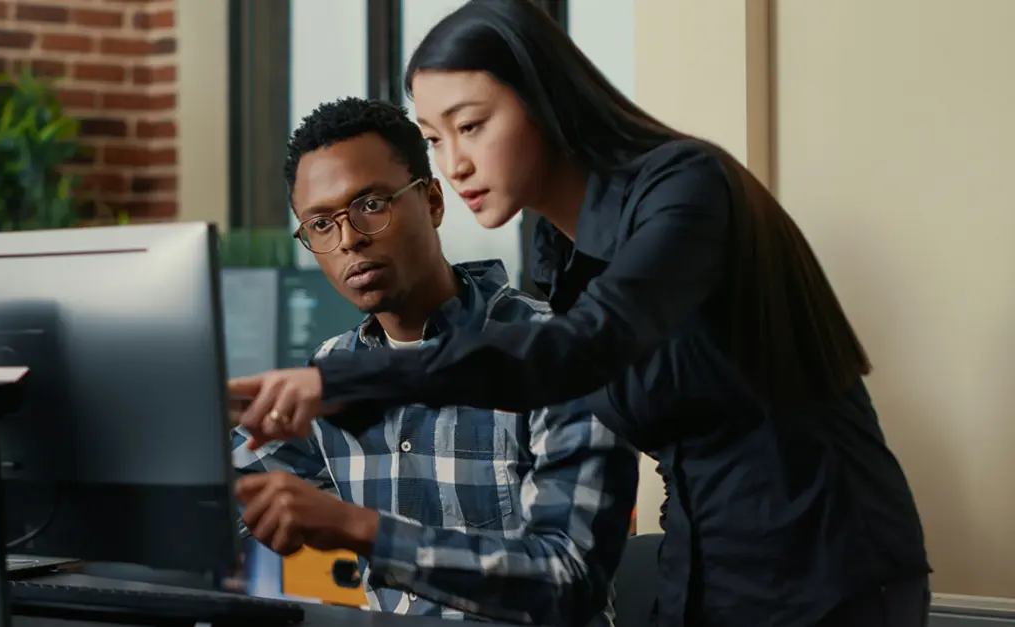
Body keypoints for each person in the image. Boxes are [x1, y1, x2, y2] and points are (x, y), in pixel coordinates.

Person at [229, 2, 931, 627]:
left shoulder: (685, 188)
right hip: (706, 564)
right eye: (436, 139)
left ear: (546, 102)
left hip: (828, 565)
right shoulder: (558, 253)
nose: (456, 163)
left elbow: (581, 351)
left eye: (471, 125)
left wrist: (347, 382)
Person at [231, 96, 638, 626]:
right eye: (321, 225)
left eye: (371, 205)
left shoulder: (553, 349)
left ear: (433, 202)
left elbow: (567, 582)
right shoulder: (329, 369)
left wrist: (356, 526)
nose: (349, 239)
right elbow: (217, 498)